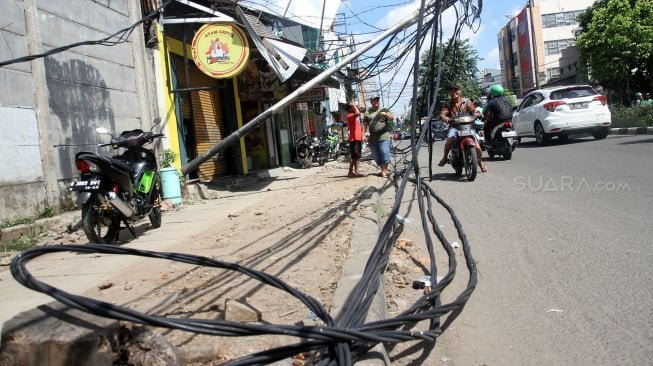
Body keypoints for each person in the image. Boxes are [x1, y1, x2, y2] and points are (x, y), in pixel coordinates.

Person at [438, 85, 487, 172]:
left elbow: (474, 111)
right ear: (449, 93)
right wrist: (444, 117)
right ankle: (445, 157)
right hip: (455, 127)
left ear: (460, 91)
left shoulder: (467, 102)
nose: (454, 92)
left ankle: (480, 161)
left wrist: (478, 114)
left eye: (456, 90)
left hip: (467, 127)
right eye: (451, 91)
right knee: (450, 140)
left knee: (478, 147)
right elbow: (443, 113)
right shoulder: (448, 104)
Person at [363, 94, 394, 178]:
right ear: (371, 101)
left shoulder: (384, 110)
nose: (376, 101)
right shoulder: (367, 112)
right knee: (376, 156)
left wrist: (386, 114)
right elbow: (365, 124)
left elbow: (391, 118)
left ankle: (384, 171)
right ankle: (383, 170)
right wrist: (363, 135)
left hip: (384, 136)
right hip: (372, 138)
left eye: (377, 100)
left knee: (384, 152)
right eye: (374, 100)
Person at [345, 102, 365, 177]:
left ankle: (356, 171)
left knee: (357, 156)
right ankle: (351, 172)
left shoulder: (355, 118)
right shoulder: (350, 116)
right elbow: (358, 113)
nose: (355, 107)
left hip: (357, 139)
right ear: (350, 109)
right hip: (354, 139)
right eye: (353, 107)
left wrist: (362, 137)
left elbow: (361, 127)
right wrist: (354, 105)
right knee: (354, 157)